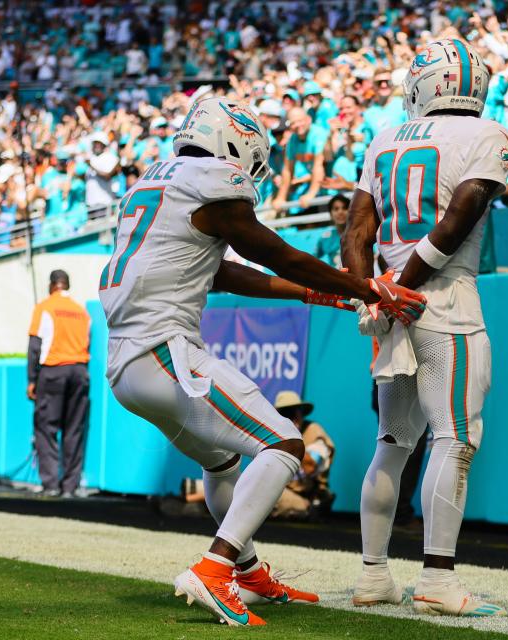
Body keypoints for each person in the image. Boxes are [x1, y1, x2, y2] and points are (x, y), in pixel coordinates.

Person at [99, 96, 425, 627]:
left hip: (126, 364)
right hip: (163, 352)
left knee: (221, 462)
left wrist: (310, 293)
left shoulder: (152, 183)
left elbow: (222, 273)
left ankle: (246, 571)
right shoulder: (213, 181)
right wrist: (362, 287)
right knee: (284, 442)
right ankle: (215, 567)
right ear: (235, 144)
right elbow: (270, 251)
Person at [342, 38, 508, 618]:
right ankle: (437, 578)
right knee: (455, 438)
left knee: (392, 442)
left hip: (392, 301)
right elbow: (461, 212)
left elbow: (356, 229)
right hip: (443, 299)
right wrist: (403, 284)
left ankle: (372, 575)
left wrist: (374, 291)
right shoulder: (486, 134)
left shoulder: (385, 137)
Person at [27, 270, 92, 499]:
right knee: (74, 430)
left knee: (46, 428)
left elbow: (35, 346)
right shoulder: (82, 312)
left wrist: (32, 380)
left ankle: (51, 484)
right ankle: (70, 487)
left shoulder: (44, 307)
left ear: (52, 285)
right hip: (80, 371)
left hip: (54, 371)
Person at [270, 391, 336, 519]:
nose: (291, 417)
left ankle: (311, 509)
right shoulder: (272, 436)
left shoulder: (313, 432)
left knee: (271, 498)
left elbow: (310, 467)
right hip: (282, 490)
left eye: (294, 412)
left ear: (300, 413)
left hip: (306, 494)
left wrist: (292, 437)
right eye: (284, 413)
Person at [273, 106, 329, 214]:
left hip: (329, 186)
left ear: (308, 119)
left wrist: (311, 193)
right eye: (293, 123)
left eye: (300, 121)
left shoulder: (319, 134)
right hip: (313, 187)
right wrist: (281, 197)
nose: (297, 125)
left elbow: (319, 165)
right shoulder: (293, 139)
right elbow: (287, 169)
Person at [315, 194, 349, 267]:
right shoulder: (325, 238)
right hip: (335, 277)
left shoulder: (360, 234)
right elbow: (312, 259)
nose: (340, 212)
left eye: (345, 208)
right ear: (330, 214)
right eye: (336, 209)